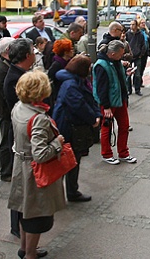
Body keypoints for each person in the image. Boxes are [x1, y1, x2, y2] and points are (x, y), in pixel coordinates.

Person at [8, 71, 65, 259]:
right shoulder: (38, 118)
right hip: (34, 171)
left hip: (21, 165)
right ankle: (30, 254)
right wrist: (57, 142)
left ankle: (25, 248)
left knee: (26, 210)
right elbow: (40, 154)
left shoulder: (19, 107)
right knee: (37, 216)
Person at [53, 54, 101, 202]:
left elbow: (89, 100)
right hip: (69, 127)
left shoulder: (76, 81)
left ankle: (68, 192)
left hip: (72, 125)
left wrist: (96, 114)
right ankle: (65, 193)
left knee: (72, 159)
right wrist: (93, 119)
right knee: (69, 160)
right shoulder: (71, 84)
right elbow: (79, 105)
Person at [3, 38, 36, 237]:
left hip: (23, 134)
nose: (35, 54)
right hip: (20, 138)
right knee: (21, 186)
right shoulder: (15, 78)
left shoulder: (21, 74)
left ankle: (22, 226)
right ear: (26, 56)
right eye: (33, 51)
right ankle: (18, 228)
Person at [93, 40, 137, 165]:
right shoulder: (102, 65)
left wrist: (126, 74)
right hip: (109, 102)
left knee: (124, 126)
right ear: (112, 53)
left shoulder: (115, 62)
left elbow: (116, 80)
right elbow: (101, 88)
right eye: (121, 53)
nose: (122, 56)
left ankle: (123, 153)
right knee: (107, 128)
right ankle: (107, 154)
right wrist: (106, 106)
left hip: (119, 99)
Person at [0, 37, 15, 182]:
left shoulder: (6, 65)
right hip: (5, 112)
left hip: (7, 111)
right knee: (6, 141)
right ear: (7, 50)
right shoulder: (1, 69)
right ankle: (5, 171)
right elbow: (4, 93)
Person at [47, 39, 74, 105]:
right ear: (65, 52)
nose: (73, 51)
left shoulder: (70, 61)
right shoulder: (56, 65)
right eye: (70, 49)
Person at [126, 19, 146, 96]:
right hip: (129, 57)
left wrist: (141, 54)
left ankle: (137, 89)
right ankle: (129, 89)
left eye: (133, 24)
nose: (131, 26)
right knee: (128, 74)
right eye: (131, 24)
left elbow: (143, 45)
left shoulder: (140, 34)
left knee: (137, 74)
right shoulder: (128, 34)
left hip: (138, 56)